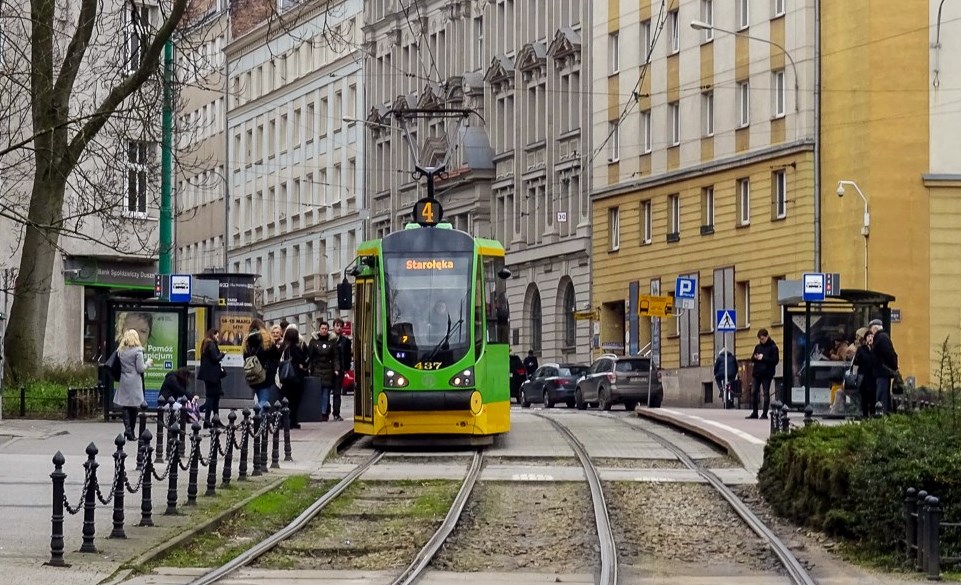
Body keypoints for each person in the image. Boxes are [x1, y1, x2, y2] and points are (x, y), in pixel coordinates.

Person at [114, 329, 153, 440]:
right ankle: (131, 431)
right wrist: (148, 363)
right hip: (134, 381)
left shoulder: (121, 351)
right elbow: (140, 368)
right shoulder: (138, 351)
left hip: (124, 379)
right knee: (134, 406)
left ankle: (127, 429)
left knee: (125, 405)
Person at [244, 319, 281, 407]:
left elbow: (245, 357)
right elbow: (276, 355)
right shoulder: (267, 339)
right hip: (266, 374)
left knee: (260, 398)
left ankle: (258, 417)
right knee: (264, 401)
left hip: (252, 374)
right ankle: (257, 418)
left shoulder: (247, 340)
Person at [308, 320, 339, 422]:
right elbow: (310, 356)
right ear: (319, 329)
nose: (324, 330)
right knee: (317, 393)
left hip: (328, 371)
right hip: (316, 370)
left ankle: (323, 412)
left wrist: (336, 368)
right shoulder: (313, 341)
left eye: (326, 329)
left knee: (326, 393)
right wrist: (308, 368)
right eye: (322, 328)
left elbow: (335, 356)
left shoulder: (332, 341)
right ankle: (318, 412)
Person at [279, 326, 309, 428]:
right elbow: (302, 359)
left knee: (284, 401)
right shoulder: (294, 348)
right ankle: (292, 422)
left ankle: (283, 421)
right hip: (294, 378)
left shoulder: (282, 347)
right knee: (294, 401)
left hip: (284, 378)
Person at [196, 328, 226, 428]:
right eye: (217, 335)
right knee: (212, 397)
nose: (218, 337)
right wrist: (223, 354)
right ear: (213, 335)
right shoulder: (211, 344)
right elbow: (215, 358)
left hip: (208, 375)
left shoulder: (206, 343)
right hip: (212, 376)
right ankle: (210, 420)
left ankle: (211, 420)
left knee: (213, 397)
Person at [747, 328, 779, 419]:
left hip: (767, 374)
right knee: (754, 392)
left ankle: (764, 413)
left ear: (767, 336)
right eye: (760, 339)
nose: (761, 341)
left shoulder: (773, 347)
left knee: (766, 393)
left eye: (762, 339)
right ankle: (755, 412)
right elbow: (752, 358)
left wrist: (763, 358)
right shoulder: (758, 347)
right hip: (757, 373)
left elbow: (775, 360)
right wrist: (755, 357)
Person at [869, 319, 899, 414]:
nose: (871, 333)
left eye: (871, 330)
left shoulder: (881, 338)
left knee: (882, 396)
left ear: (875, 328)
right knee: (882, 394)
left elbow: (889, 354)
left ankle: (882, 415)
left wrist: (894, 367)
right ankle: (883, 413)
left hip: (882, 372)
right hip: (882, 372)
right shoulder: (883, 337)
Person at [852, 327, 877, 418]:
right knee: (864, 399)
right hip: (864, 378)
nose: (870, 338)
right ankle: (865, 416)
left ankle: (873, 416)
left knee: (873, 399)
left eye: (872, 336)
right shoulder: (861, 349)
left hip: (873, 378)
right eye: (868, 336)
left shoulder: (875, 349)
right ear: (865, 339)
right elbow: (856, 362)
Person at [332, 318, 352, 421]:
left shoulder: (346, 341)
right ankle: (324, 412)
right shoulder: (329, 339)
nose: (339, 328)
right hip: (328, 369)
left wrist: (346, 369)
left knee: (337, 393)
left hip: (340, 370)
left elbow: (348, 355)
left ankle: (336, 413)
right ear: (333, 327)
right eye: (337, 325)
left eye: (340, 326)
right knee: (325, 391)